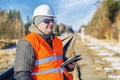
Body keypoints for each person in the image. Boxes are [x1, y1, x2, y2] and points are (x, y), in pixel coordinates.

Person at [14, 4, 76, 80]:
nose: (51, 24)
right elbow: (21, 75)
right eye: (47, 21)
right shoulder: (27, 42)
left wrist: (68, 65)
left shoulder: (57, 41)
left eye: (52, 21)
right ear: (37, 22)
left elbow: (58, 62)